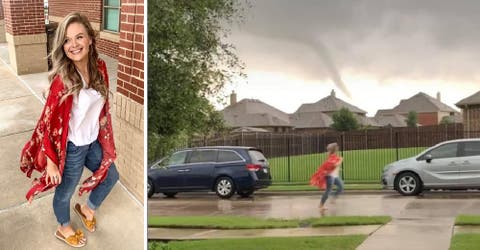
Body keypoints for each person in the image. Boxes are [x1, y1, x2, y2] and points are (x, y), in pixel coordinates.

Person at [20, 12, 119, 248]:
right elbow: (46, 123)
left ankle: (87, 208)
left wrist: (105, 139)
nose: (73, 45)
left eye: (79, 37)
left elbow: (102, 108)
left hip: (93, 142)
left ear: (90, 39)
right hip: (73, 147)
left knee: (111, 176)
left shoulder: (100, 67)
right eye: (66, 40)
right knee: (64, 193)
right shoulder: (63, 80)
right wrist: (52, 162)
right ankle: (63, 227)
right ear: (62, 45)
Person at [310, 142, 344, 211]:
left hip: (335, 176)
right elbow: (333, 165)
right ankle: (321, 205)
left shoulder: (334, 156)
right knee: (328, 191)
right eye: (337, 147)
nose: (338, 148)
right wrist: (340, 161)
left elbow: (333, 166)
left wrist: (338, 167)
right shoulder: (331, 157)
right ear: (334, 149)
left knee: (341, 186)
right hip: (330, 176)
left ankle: (333, 197)